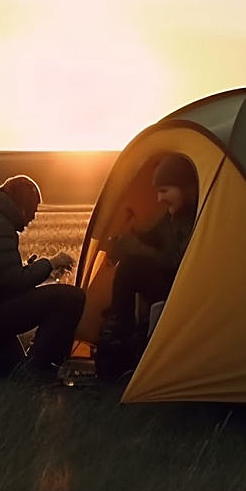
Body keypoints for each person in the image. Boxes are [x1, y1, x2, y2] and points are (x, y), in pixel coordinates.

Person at [0, 174, 85, 379]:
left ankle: (16, 368)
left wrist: (34, 270)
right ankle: (42, 370)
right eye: (33, 210)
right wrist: (51, 263)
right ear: (22, 206)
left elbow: (1, 278)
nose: (33, 217)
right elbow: (14, 282)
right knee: (71, 298)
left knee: (10, 373)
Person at [98, 154, 198, 371]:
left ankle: (120, 333)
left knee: (132, 265)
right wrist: (127, 237)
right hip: (168, 283)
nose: (159, 198)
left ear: (186, 188)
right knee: (130, 264)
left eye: (164, 191)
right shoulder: (173, 215)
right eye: (157, 191)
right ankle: (118, 332)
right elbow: (152, 236)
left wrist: (135, 247)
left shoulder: (197, 219)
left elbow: (178, 263)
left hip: (184, 290)